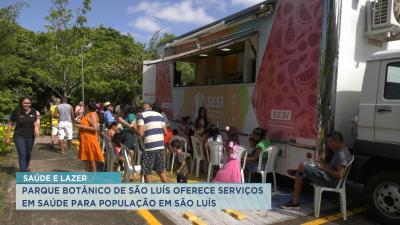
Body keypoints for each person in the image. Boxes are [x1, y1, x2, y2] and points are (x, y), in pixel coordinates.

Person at [280, 131, 353, 209]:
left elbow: (339, 175)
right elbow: (335, 168)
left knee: (302, 166)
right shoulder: (342, 149)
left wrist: (323, 168)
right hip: (330, 178)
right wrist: (324, 165)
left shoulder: (341, 154)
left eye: (329, 142)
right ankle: (299, 176)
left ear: (337, 141)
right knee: (302, 175)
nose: (328, 144)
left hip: (332, 182)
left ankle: (295, 200)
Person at [5, 97, 41, 172]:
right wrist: (7, 137)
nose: (26, 104)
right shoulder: (16, 111)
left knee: (28, 154)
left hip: (30, 136)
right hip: (19, 136)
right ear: (21, 103)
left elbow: (36, 121)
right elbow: (10, 124)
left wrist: (36, 127)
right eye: (25, 103)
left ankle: (26, 168)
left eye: (28, 103)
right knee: (22, 154)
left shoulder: (34, 112)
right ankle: (23, 173)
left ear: (30, 104)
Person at [136, 102, 169, 183]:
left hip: (149, 147)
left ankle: (150, 194)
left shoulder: (141, 115)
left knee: (147, 172)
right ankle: (170, 191)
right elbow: (165, 132)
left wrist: (134, 128)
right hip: (160, 146)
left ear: (141, 109)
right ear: (150, 107)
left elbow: (140, 133)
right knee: (161, 171)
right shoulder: (160, 115)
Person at [76, 100, 104, 172]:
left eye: (84, 106)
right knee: (86, 159)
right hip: (85, 140)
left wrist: (82, 127)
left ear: (87, 107)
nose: (83, 107)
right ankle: (88, 175)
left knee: (91, 159)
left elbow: (95, 128)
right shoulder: (88, 114)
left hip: (90, 140)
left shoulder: (93, 114)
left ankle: (93, 177)